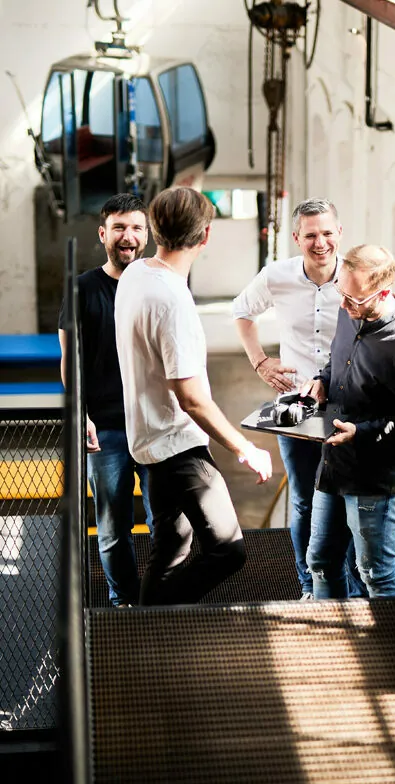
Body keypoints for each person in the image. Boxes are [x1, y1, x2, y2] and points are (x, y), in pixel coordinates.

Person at [114, 187, 272, 606]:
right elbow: (193, 399)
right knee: (228, 550)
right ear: (205, 237)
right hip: (176, 447)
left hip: (146, 442)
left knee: (171, 550)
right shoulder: (171, 300)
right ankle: (158, 620)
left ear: (153, 229)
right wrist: (246, 449)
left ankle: (147, 635)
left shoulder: (135, 274)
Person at [233, 197, 366, 600]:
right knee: (306, 500)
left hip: (348, 405)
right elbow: (242, 312)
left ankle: (351, 583)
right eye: (310, 235)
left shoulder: (358, 277)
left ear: (339, 233)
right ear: (296, 238)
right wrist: (260, 362)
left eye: (327, 233)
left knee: (347, 498)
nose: (320, 242)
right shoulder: (277, 276)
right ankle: (310, 584)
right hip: (296, 407)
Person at [302, 244, 395, 599]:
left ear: (383, 291)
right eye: (341, 292)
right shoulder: (350, 307)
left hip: (378, 479)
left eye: (355, 299)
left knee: (374, 574)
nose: (344, 305)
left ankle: (391, 648)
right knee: (320, 561)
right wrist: (322, 380)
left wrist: (361, 433)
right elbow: (338, 358)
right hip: (335, 463)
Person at [58, 193, 153, 608]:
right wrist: (80, 413)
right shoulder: (81, 289)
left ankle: (163, 598)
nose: (127, 236)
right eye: (119, 228)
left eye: (135, 228)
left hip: (154, 424)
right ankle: (124, 603)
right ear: (103, 234)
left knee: (166, 523)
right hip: (107, 429)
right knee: (113, 527)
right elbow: (69, 360)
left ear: (147, 235)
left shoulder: (159, 283)